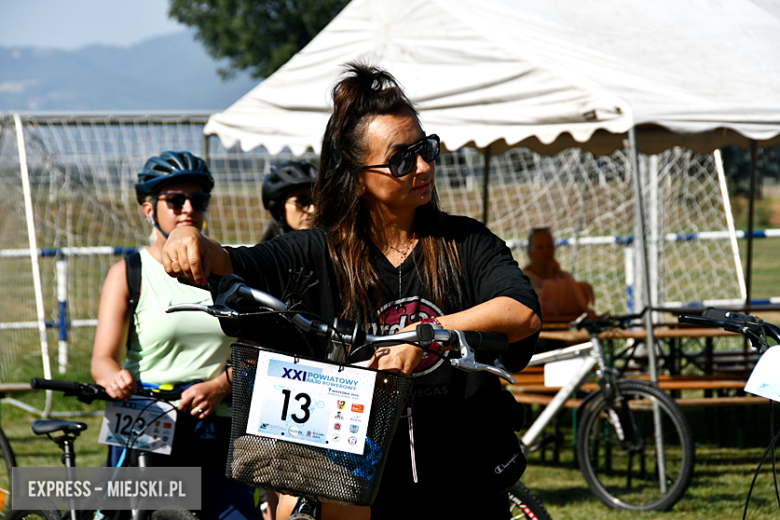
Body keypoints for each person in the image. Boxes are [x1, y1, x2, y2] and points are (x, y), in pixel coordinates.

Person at [161, 63, 542, 520]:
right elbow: (234, 262)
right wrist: (188, 240)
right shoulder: (314, 252)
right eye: (401, 158)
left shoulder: (466, 243)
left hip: (464, 478)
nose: (422, 167)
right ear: (357, 176)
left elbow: (521, 311)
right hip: (353, 483)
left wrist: (426, 334)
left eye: (425, 149)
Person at [90, 151, 263, 520]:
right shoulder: (128, 273)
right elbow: (102, 359)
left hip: (215, 419)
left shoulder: (227, 270)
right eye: (175, 200)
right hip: (145, 418)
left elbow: (254, 346)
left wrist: (220, 385)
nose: (188, 208)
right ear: (149, 208)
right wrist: (113, 377)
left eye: (198, 200)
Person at [522, 227, 596, 319]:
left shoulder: (564, 276)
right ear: (529, 252)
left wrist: (557, 277)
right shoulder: (522, 279)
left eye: (550, 246)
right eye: (540, 247)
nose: (546, 251)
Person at [259, 160, 318, 242]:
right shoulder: (265, 253)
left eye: (318, 201)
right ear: (278, 208)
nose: (313, 209)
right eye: (302, 202)